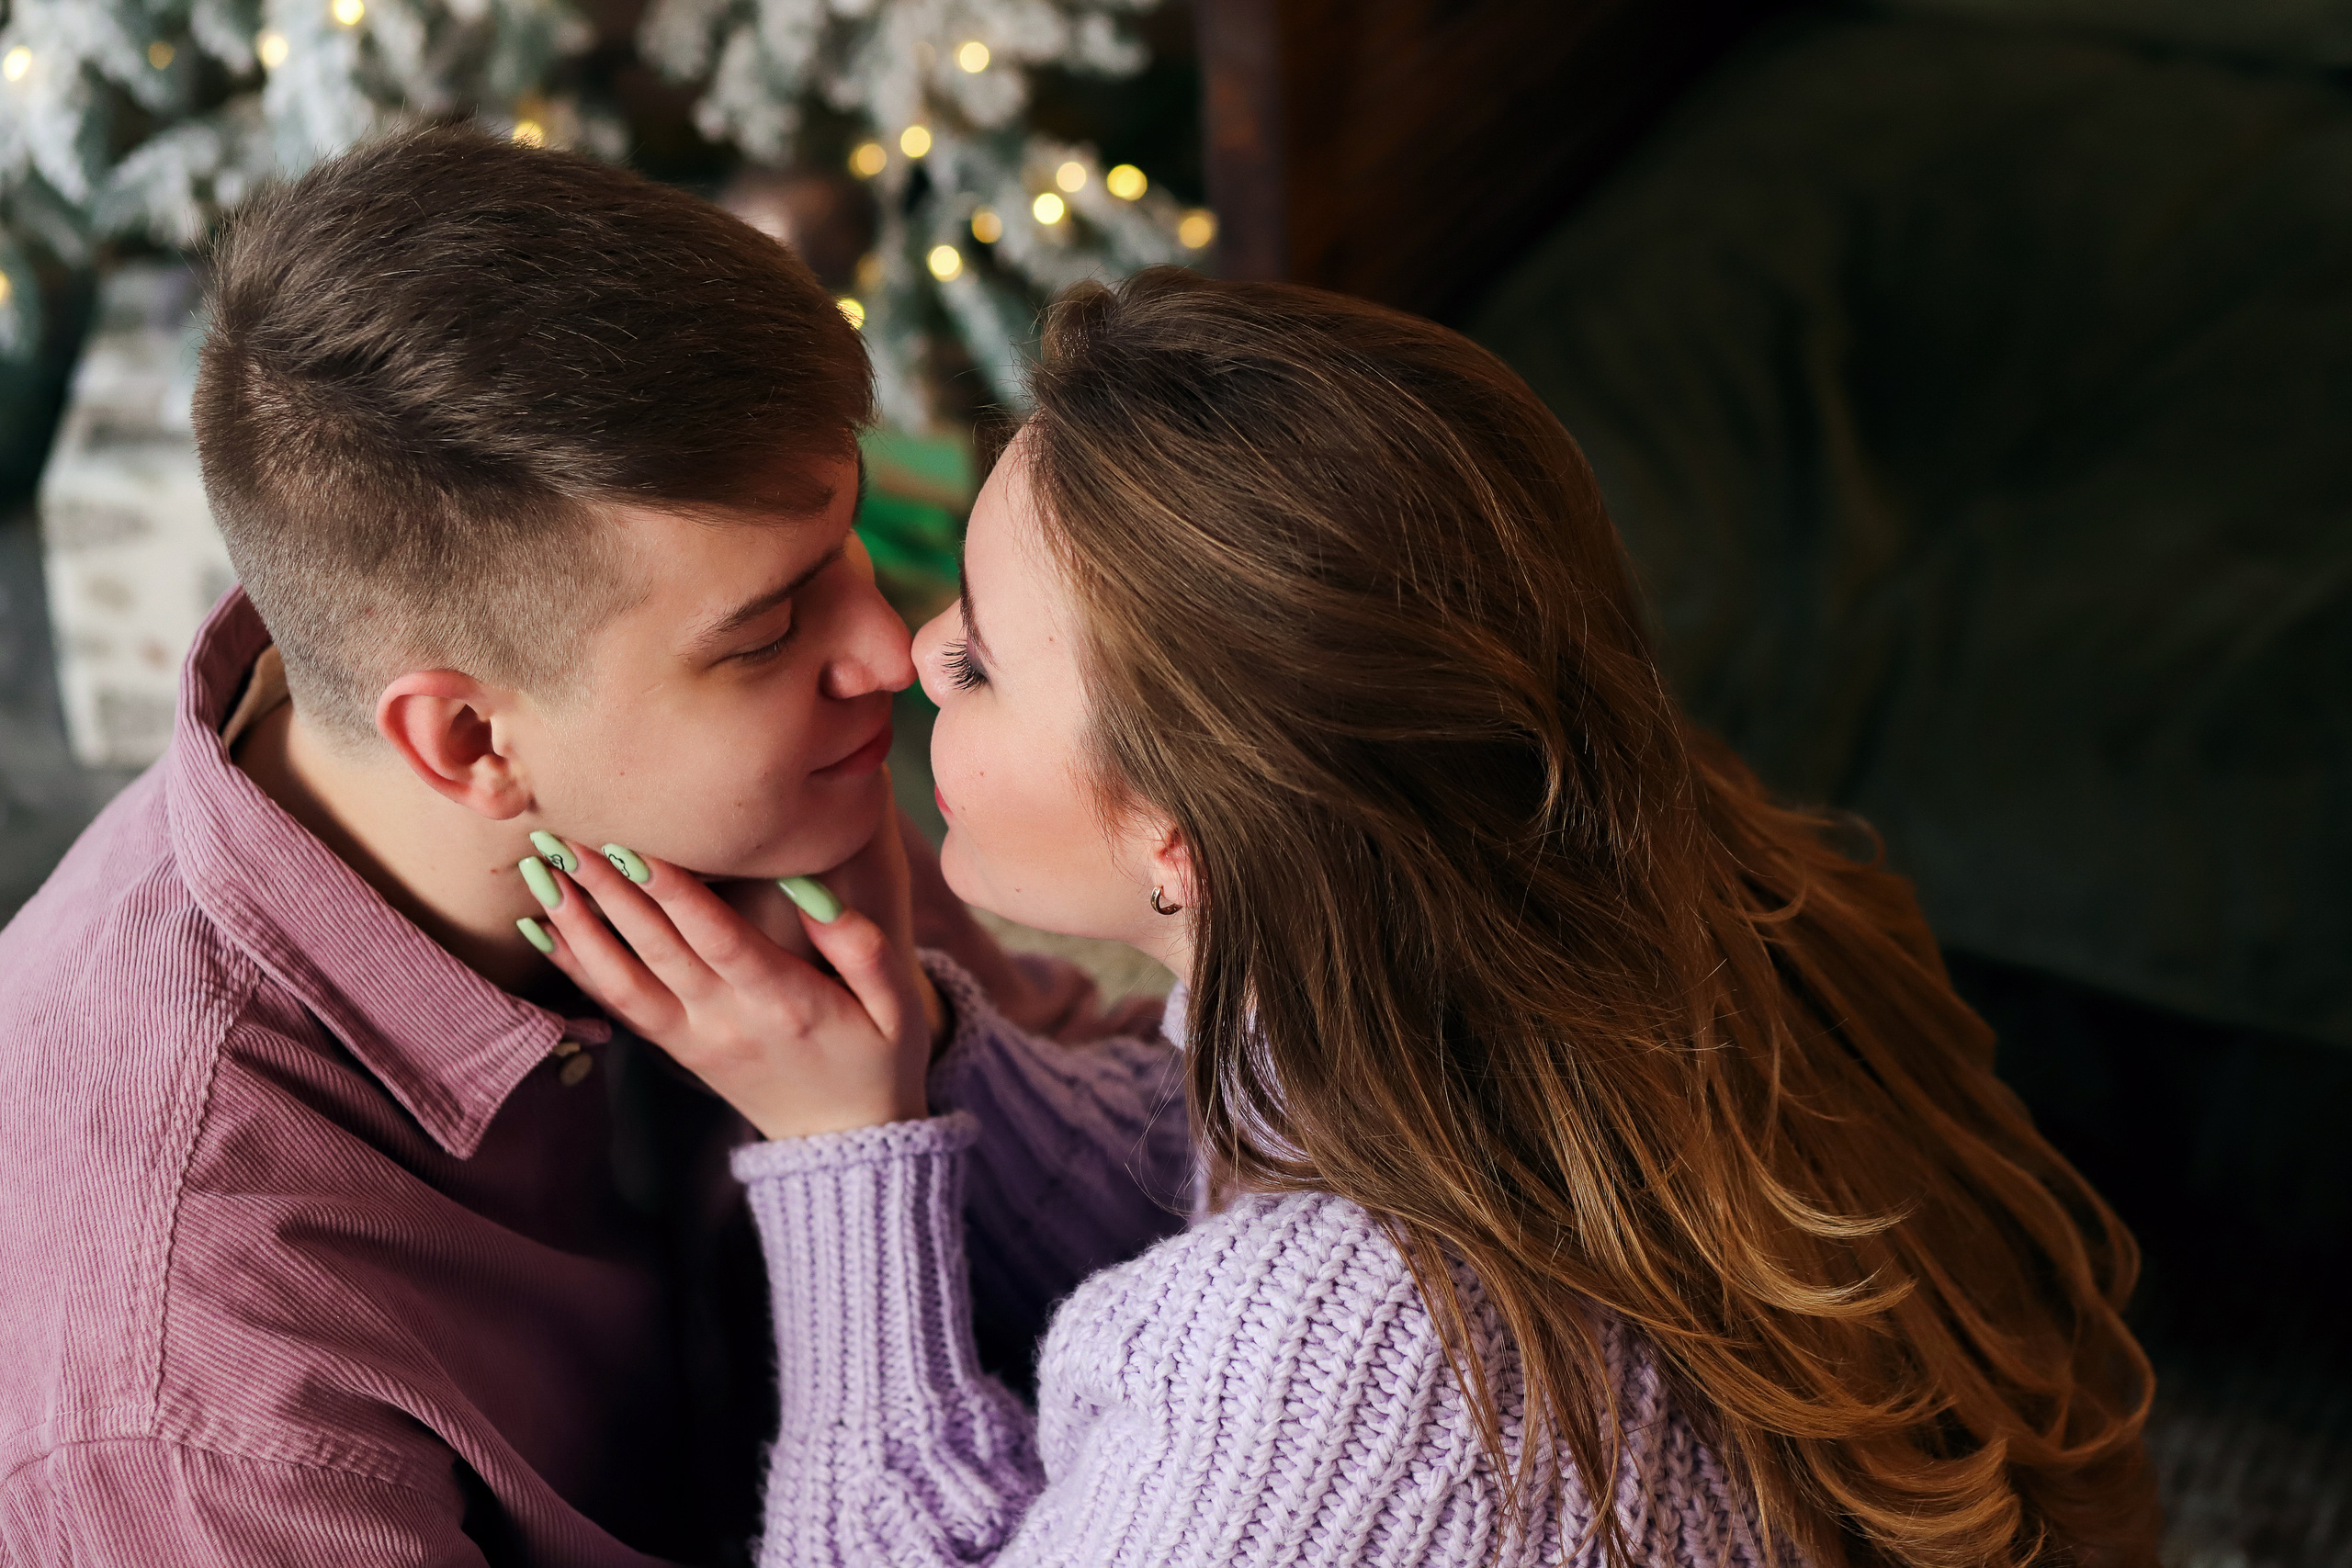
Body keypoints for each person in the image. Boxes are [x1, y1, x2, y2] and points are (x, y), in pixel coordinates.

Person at [526, 269, 2163, 1567]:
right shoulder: (1666, 884)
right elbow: (1226, 1157)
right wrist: (924, 1053)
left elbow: (1290, 1310)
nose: (907, 651)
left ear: (1184, 839)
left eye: (983, 663)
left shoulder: (1329, 1372)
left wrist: (842, 1164)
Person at [0, 127, 1180, 1563]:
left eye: (849, 541)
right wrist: (862, 1161)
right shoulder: (193, 1390)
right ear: (468, 743)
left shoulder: (706, 770)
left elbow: (1153, 1154)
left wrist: (926, 1045)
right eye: (769, 626)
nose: (894, 650)